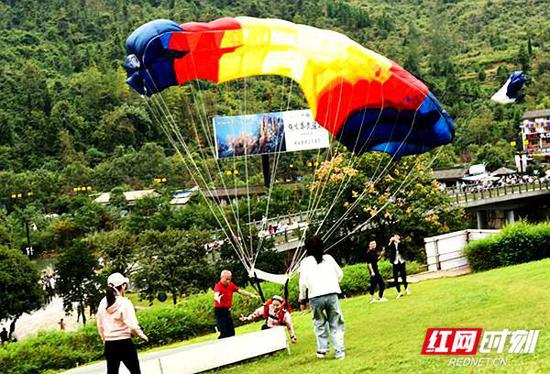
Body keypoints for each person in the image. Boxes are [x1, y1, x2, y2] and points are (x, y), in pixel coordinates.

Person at [299, 236, 345, 360]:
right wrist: (333, 283)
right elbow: (340, 274)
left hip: (315, 296)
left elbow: (303, 283)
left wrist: (302, 297)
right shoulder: (329, 258)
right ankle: (339, 351)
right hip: (332, 293)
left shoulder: (305, 262)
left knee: (319, 323)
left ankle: (322, 350)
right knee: (335, 322)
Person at [97, 272, 148, 374]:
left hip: (110, 344)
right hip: (125, 343)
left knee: (112, 372)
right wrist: (142, 336)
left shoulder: (102, 303)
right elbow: (132, 324)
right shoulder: (124, 302)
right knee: (135, 372)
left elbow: (100, 325)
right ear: (123, 286)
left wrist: (104, 340)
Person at [213, 270, 258, 339]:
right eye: (226, 279)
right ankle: (218, 345)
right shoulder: (218, 286)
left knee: (231, 332)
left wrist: (250, 294)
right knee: (224, 332)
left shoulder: (231, 285)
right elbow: (216, 295)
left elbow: (240, 291)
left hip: (227, 311)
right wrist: (217, 298)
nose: (228, 281)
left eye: (229, 279)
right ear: (221, 277)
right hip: (219, 311)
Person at [388, 233, 410, 298]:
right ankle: (399, 292)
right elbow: (387, 249)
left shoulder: (402, 243)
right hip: (395, 262)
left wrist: (398, 242)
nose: (395, 237)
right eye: (394, 236)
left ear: (399, 237)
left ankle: (406, 288)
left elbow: (404, 248)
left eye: (397, 236)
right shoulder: (391, 244)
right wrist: (390, 241)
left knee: (403, 276)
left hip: (401, 261)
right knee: (395, 278)